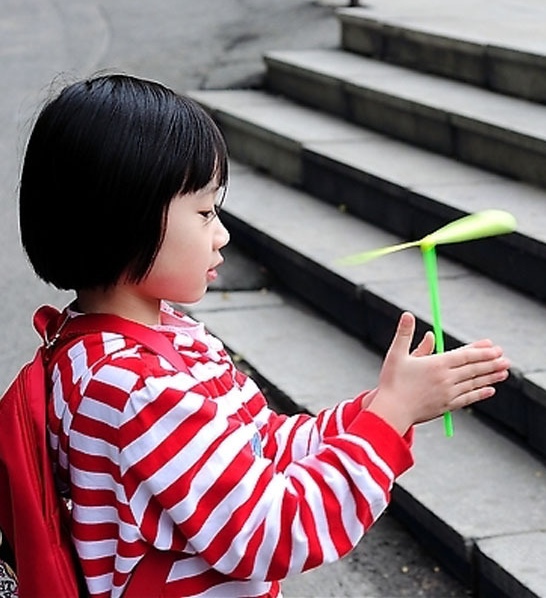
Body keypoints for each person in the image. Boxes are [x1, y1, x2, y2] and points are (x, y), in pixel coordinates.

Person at [18, 74, 510, 598]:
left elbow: (262, 445)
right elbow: (273, 529)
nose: (222, 232)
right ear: (123, 220)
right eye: (205, 212)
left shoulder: (147, 340)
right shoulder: (133, 385)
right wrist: (390, 419)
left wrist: (379, 407)